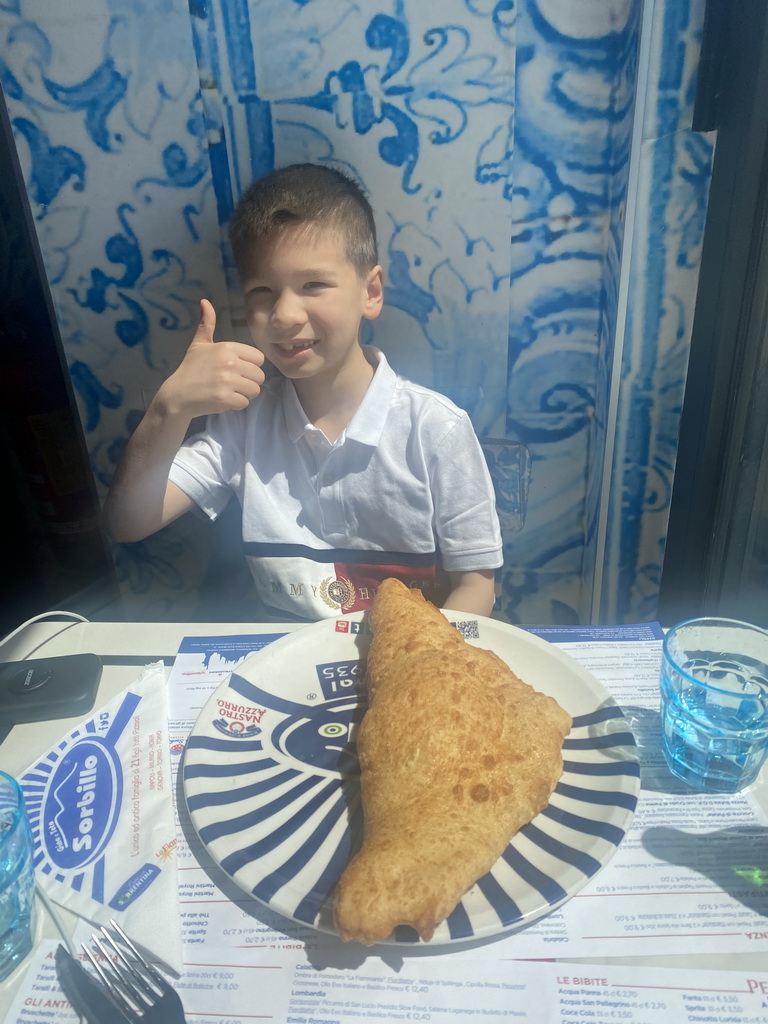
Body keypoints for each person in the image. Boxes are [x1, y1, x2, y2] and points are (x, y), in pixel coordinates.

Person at [104, 163, 502, 621]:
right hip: (286, 673)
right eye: (262, 291)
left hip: (414, 669)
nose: (286, 314)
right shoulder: (242, 424)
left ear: (370, 292)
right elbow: (126, 524)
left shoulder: (436, 429)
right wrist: (169, 407)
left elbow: (477, 588)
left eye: (313, 284)